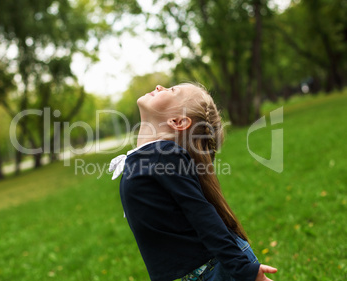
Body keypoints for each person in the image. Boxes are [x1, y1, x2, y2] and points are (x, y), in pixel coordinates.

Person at [109, 83, 277, 281]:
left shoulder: (165, 155)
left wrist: (243, 269)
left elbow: (201, 213)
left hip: (217, 270)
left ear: (178, 122)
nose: (159, 86)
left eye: (172, 90)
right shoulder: (150, 158)